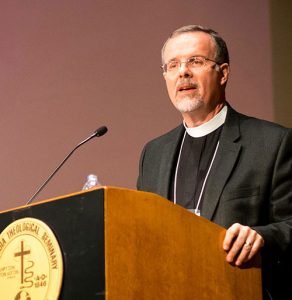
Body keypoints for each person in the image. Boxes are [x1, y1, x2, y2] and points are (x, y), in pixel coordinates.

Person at [137, 25, 292, 300]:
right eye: (173, 65)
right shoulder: (154, 153)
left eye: (195, 61)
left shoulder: (272, 143)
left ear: (223, 73)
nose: (183, 71)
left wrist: (262, 237)